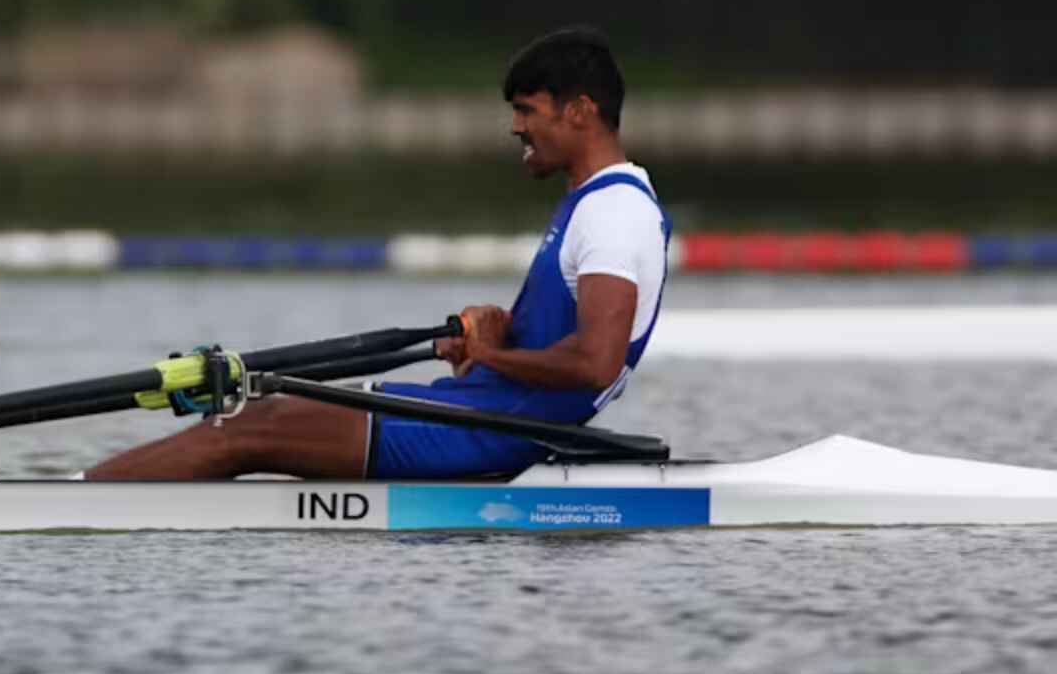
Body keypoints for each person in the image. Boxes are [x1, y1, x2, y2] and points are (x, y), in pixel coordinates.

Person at [85, 26, 670, 481]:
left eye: (526, 110)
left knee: (249, 426)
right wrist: (493, 342)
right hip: (477, 411)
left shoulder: (614, 212)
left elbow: (595, 362)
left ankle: (73, 498)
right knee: (253, 413)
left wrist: (494, 356)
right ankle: (80, 488)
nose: (515, 127)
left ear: (581, 111)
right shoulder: (597, 202)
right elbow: (565, 349)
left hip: (489, 431)